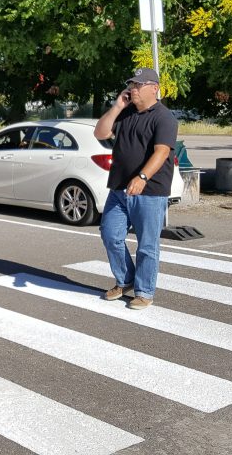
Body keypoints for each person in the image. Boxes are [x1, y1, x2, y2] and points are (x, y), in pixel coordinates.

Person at [93, 67, 178, 310]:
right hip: (119, 188)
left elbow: (162, 152)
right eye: (132, 84)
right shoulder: (125, 113)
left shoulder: (164, 117)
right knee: (110, 235)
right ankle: (125, 279)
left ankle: (144, 291)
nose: (133, 89)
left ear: (154, 88)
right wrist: (118, 106)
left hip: (149, 191)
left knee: (147, 244)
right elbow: (100, 132)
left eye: (139, 85)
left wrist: (142, 176)